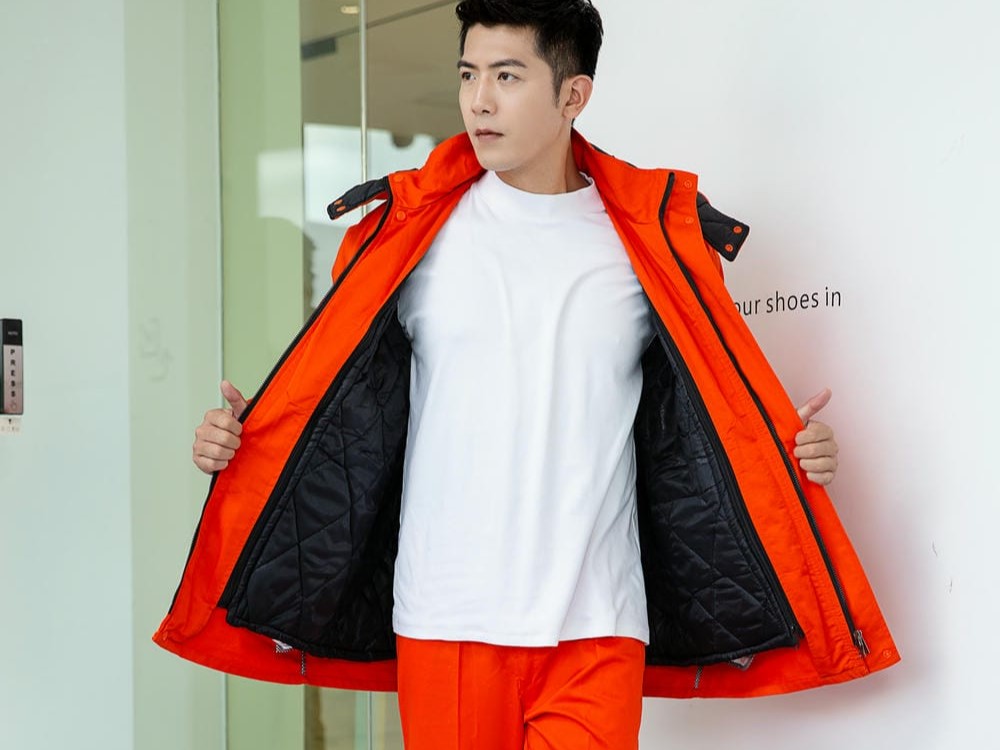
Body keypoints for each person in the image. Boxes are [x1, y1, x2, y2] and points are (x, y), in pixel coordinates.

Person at [161, 2, 898, 749]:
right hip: (447, 616)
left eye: (507, 77)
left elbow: (706, 410)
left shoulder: (649, 241)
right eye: (468, 75)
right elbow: (338, 404)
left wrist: (792, 452)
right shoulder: (409, 234)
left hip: (599, 625)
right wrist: (248, 441)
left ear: (573, 96)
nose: (479, 101)